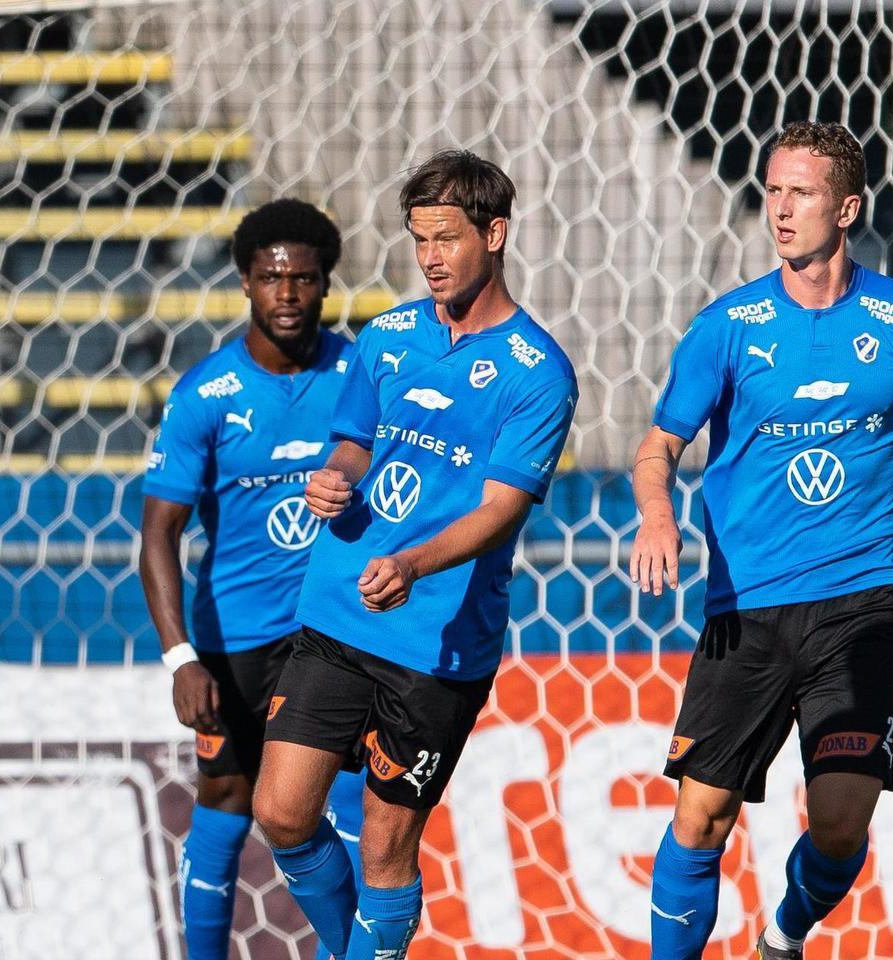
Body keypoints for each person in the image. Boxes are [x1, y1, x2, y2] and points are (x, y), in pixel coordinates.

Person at [630, 120, 893, 960]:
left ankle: (782, 937)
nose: (781, 210)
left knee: (844, 822)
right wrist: (658, 514)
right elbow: (657, 447)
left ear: (847, 207)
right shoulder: (728, 325)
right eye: (774, 191)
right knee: (700, 817)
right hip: (746, 606)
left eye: (802, 193)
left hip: (865, 598)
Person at [253, 150, 579, 960]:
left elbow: (502, 509)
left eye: (446, 238)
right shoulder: (388, 335)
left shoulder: (539, 372)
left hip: (435, 642)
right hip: (340, 606)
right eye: (419, 240)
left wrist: (414, 566)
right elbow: (353, 443)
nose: (430, 258)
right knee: (283, 812)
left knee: (387, 844)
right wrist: (332, 480)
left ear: (494, 234)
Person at [139, 199, 367, 960]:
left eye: (304, 279)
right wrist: (182, 659)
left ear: (326, 286)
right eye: (273, 278)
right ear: (244, 282)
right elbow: (158, 535)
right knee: (227, 799)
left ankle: (357, 951)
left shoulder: (359, 374)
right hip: (233, 637)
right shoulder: (205, 395)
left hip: (332, 635)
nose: (289, 294)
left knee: (343, 800)